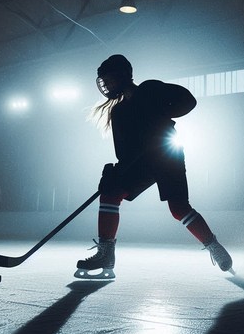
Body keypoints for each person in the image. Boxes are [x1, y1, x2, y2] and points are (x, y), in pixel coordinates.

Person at [74, 54, 233, 280]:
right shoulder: (118, 111)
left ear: (122, 76)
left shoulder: (149, 90)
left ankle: (213, 245)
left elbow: (188, 101)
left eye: (109, 80)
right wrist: (117, 172)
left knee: (178, 208)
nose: (106, 85)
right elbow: (123, 152)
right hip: (143, 162)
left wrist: (159, 106)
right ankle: (106, 253)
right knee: (110, 192)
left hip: (167, 155)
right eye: (105, 82)